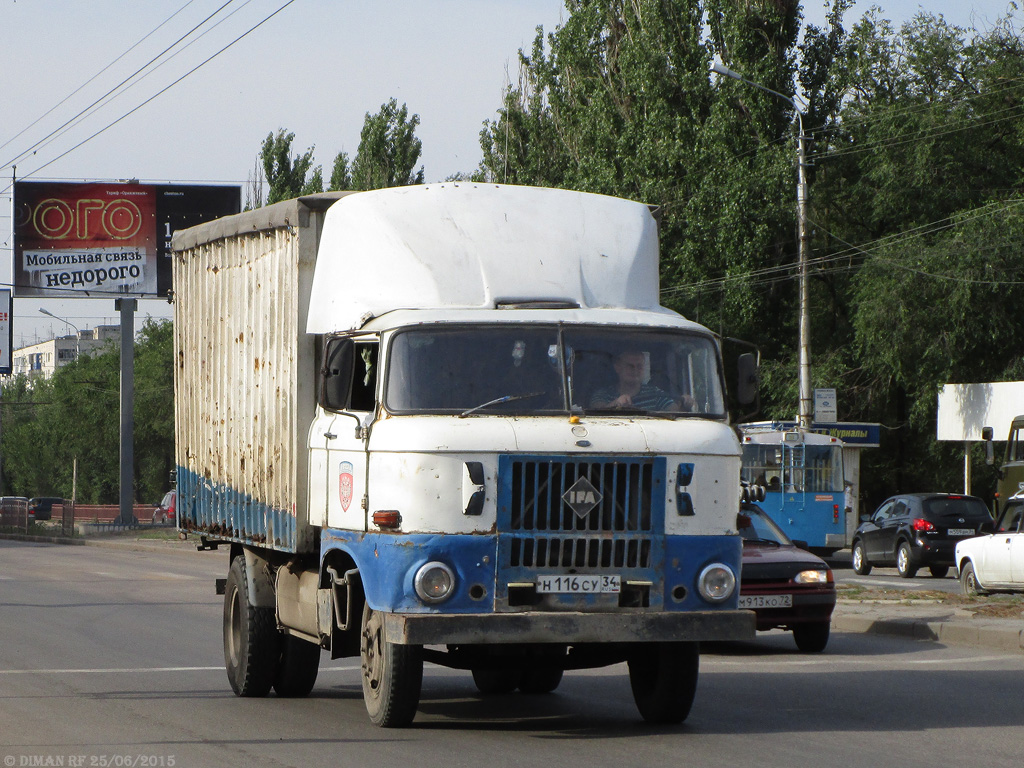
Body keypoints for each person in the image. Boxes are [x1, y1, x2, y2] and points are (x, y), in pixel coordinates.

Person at [589, 350, 683, 411]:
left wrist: (682, 402)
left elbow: (673, 410)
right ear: (618, 367)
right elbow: (594, 414)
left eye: (639, 366)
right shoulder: (603, 394)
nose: (635, 370)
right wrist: (617, 404)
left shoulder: (654, 393)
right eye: (630, 366)